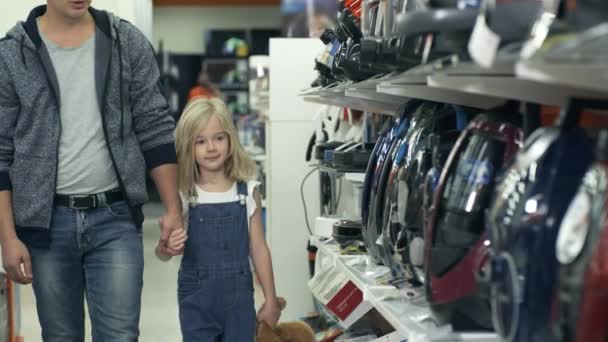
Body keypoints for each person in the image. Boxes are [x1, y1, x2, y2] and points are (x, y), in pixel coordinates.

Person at [0, 1, 183, 341]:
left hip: (115, 219)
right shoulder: (12, 53)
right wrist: (8, 237)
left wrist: (173, 208)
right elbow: (1, 150)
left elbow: (155, 126)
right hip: (47, 225)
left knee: (120, 335)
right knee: (60, 336)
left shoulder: (125, 41)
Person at [164, 97, 280, 341]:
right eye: (200, 141)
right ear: (188, 146)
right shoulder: (184, 194)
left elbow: (259, 249)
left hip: (238, 302)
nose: (211, 148)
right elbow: (163, 252)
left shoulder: (248, 192)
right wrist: (166, 246)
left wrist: (271, 299)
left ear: (231, 139)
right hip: (195, 300)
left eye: (219, 138)